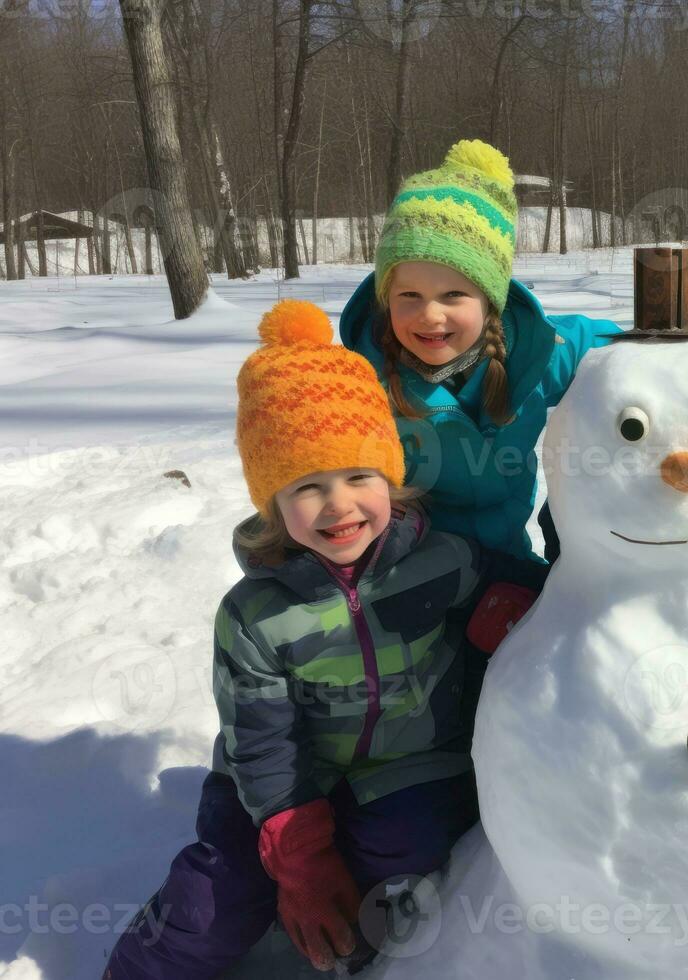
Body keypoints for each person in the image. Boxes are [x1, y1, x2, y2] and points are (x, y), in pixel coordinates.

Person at [104, 301, 546, 977]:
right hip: (272, 789)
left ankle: (347, 951)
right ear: (273, 503)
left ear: (390, 480)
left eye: (359, 477)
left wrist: (518, 607)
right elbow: (260, 741)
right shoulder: (255, 613)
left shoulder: (443, 560)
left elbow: (544, 591)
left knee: (406, 846)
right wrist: (299, 856)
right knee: (213, 902)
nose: (339, 506)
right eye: (308, 487)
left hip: (405, 768)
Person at [339, 139, 620, 561]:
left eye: (453, 295)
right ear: (385, 298)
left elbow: (616, 347)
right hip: (410, 574)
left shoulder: (535, 353)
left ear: (490, 300)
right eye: (409, 295)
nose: (430, 315)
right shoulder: (362, 379)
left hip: (510, 559)